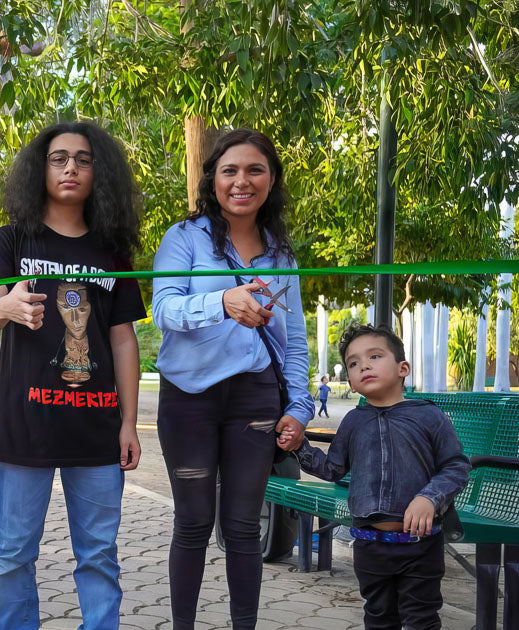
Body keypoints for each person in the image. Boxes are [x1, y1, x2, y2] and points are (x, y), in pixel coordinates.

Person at [0, 120, 145, 629]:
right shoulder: (7, 241)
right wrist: (7, 303)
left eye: (83, 159)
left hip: (96, 429)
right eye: (58, 158)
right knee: (12, 557)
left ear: (100, 172)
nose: (71, 167)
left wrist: (129, 423)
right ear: (39, 170)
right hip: (24, 426)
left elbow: (122, 340)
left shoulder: (113, 253)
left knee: (98, 557)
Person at [151, 128, 312, 629]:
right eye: (230, 171)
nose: (242, 181)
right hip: (189, 399)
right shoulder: (184, 237)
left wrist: (299, 407)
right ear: (213, 179)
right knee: (194, 522)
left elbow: (297, 340)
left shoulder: (281, 254)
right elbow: (163, 309)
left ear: (271, 181)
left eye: (255, 170)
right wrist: (222, 302)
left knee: (242, 527)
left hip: (255, 399)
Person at [296, 325, 470, 630]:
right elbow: (332, 469)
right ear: (350, 382)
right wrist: (300, 447)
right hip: (368, 544)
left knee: (421, 619)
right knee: (378, 617)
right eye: (353, 363)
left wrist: (429, 497)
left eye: (374, 356)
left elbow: (456, 466)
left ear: (403, 368)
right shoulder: (353, 421)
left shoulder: (429, 416)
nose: (363, 365)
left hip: (420, 544)